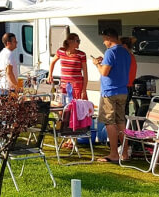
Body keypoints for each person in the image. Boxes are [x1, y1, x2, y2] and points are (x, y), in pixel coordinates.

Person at [93, 28, 132, 162]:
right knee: (121, 122)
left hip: (109, 91)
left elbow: (104, 72)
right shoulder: (126, 52)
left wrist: (97, 64)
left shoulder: (110, 52)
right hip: (123, 91)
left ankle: (114, 153)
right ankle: (125, 153)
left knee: (109, 122)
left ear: (109, 38)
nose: (104, 42)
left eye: (104, 39)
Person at [47, 32, 88, 100]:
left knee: (77, 105)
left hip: (77, 86)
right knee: (65, 104)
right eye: (77, 41)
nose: (79, 43)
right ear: (70, 42)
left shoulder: (81, 54)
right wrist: (50, 75)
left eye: (79, 41)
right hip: (64, 85)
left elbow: (85, 74)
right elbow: (52, 62)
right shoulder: (61, 51)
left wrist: (84, 90)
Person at [121, 36, 137, 116]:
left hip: (123, 88)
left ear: (124, 46)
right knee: (124, 111)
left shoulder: (125, 57)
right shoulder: (131, 56)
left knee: (121, 113)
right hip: (129, 87)